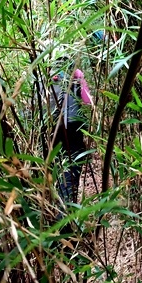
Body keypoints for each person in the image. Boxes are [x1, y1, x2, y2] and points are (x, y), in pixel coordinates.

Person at [46, 66, 92, 204]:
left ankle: (54, 208)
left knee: (55, 167)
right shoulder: (77, 72)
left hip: (51, 128)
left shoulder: (44, 73)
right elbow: (87, 101)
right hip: (73, 126)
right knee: (72, 168)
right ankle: (67, 209)